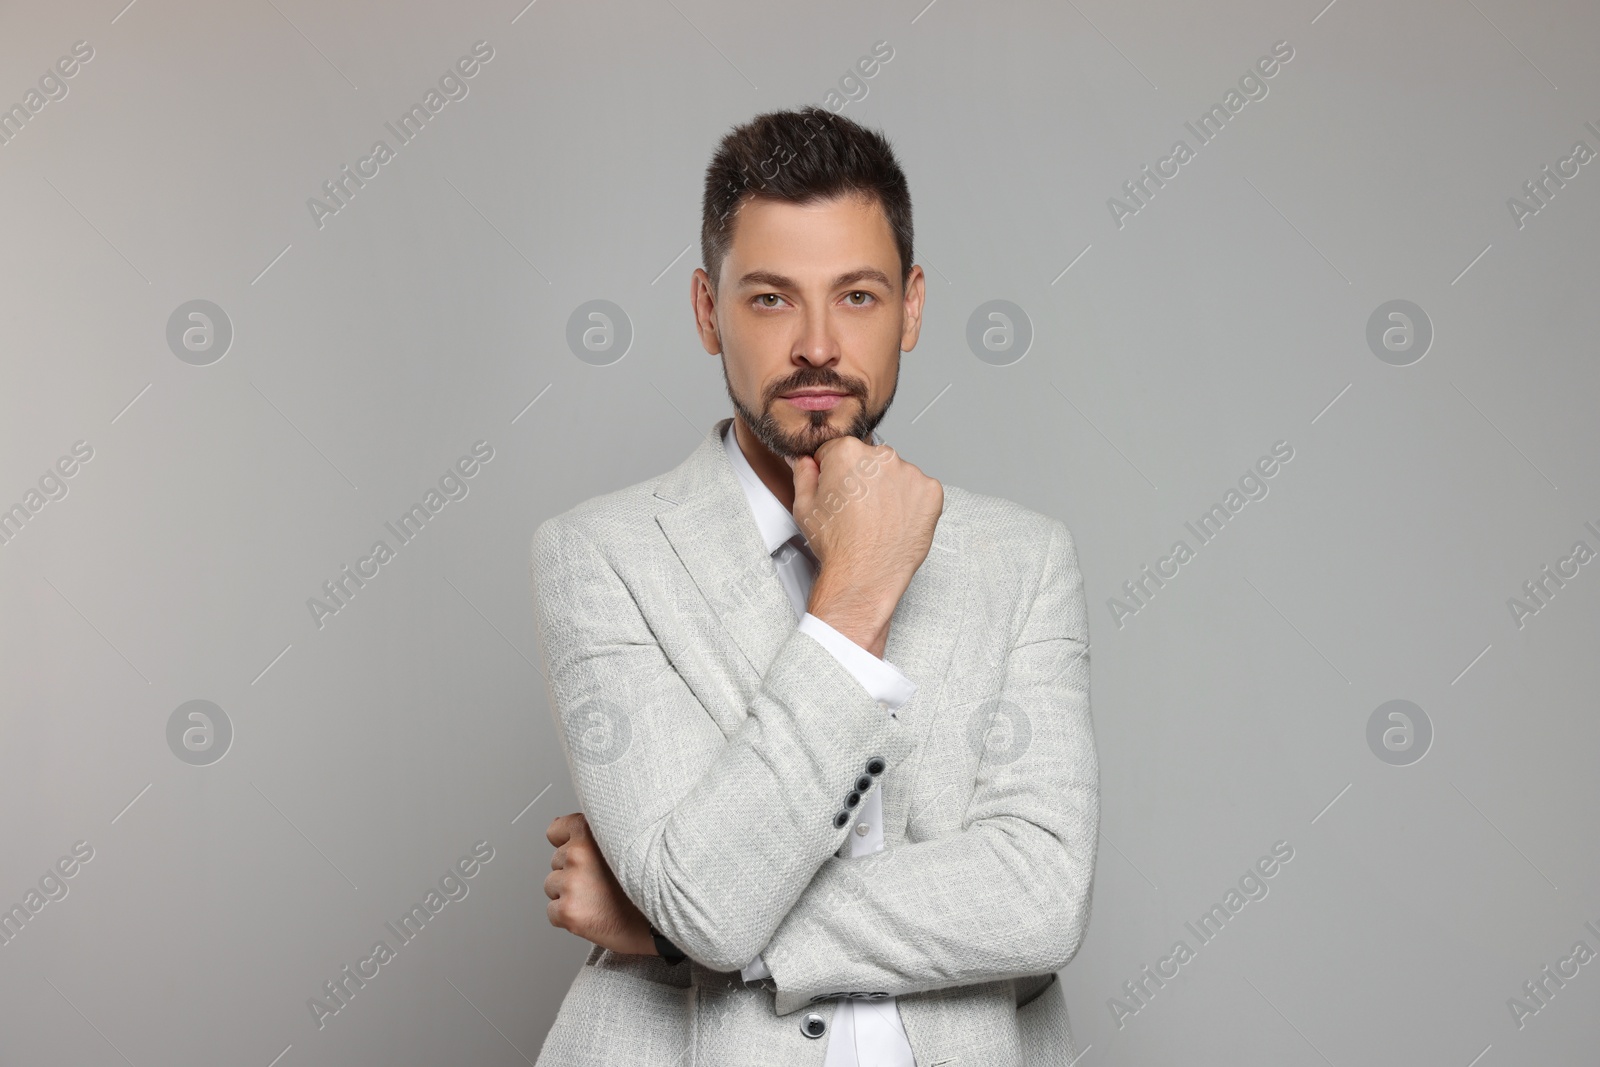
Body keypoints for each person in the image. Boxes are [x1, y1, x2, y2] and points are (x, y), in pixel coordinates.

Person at [529, 105, 1098, 1066]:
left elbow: (1041, 895)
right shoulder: (601, 555)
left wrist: (664, 926)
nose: (820, 346)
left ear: (912, 307)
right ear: (709, 312)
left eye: (859, 297)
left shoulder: (1025, 558)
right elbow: (707, 897)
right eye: (771, 298)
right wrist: (857, 594)